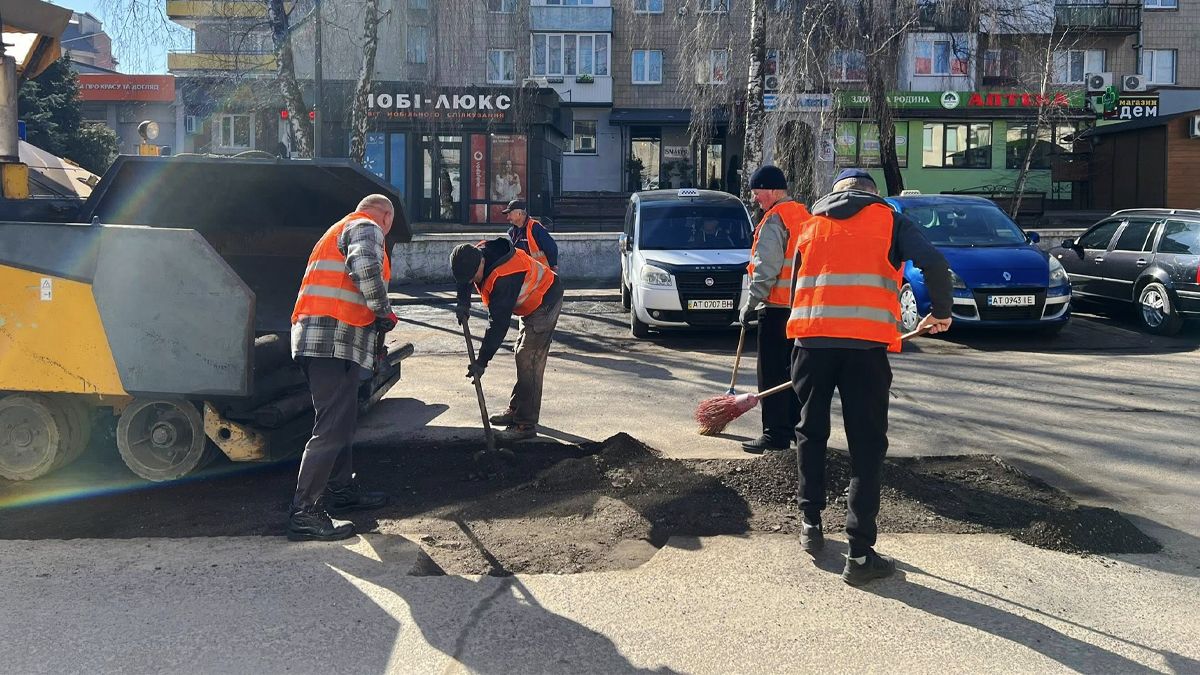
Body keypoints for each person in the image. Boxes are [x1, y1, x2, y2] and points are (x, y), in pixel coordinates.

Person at [787, 168, 953, 586]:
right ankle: (859, 554)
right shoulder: (890, 219)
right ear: (873, 194)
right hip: (864, 349)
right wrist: (942, 312)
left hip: (811, 344)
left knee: (810, 431)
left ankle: (810, 524)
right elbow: (934, 263)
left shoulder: (811, 224)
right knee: (866, 444)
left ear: (835, 193)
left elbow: (796, 288)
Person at [287, 194, 398, 541]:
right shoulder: (366, 226)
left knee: (343, 420)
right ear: (386, 217)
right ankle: (304, 512)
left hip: (328, 339)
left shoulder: (338, 230)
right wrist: (383, 311)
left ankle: (340, 490)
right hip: (330, 339)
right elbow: (365, 267)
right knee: (332, 424)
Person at [451, 237, 563, 441]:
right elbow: (464, 278)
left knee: (528, 358)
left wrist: (482, 362)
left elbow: (498, 325)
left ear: (481, 262)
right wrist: (462, 303)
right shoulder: (471, 255)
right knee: (522, 354)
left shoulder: (504, 277)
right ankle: (516, 409)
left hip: (545, 301)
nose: (472, 281)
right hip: (530, 301)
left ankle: (525, 424)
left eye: (473, 277)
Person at [739, 165, 810, 454]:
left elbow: (766, 269)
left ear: (771, 190)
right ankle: (796, 430)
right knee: (795, 374)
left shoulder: (774, 220)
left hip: (777, 308)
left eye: (757, 193)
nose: (756, 199)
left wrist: (750, 304)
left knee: (771, 374)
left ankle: (774, 435)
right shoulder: (803, 215)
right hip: (802, 308)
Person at [503, 199, 559, 272]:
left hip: (541, 272)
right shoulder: (512, 232)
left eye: (510, 214)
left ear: (519, 213)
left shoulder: (535, 227)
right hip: (525, 272)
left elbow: (551, 248)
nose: (508, 218)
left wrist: (552, 266)